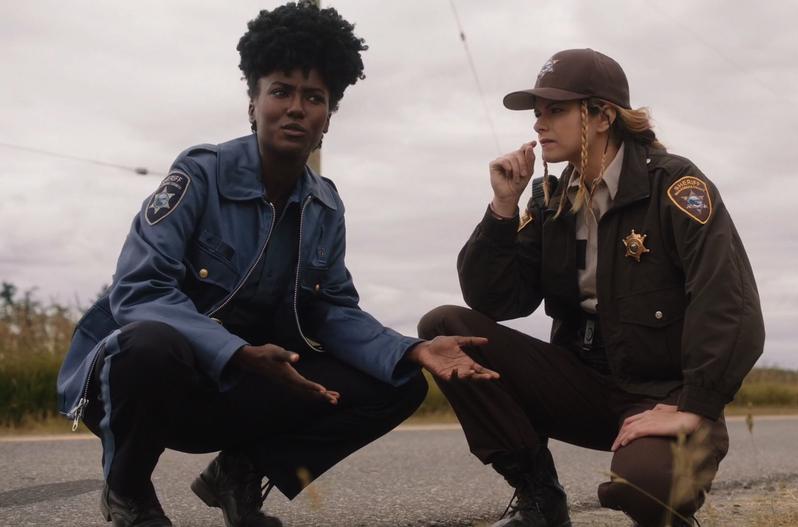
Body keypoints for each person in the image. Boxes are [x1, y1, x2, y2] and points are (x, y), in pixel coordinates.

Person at [56, 4, 497, 526]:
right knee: (151, 343)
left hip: (246, 385)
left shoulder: (325, 206)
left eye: (314, 98)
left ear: (328, 117)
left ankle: (240, 474)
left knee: (398, 382)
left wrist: (415, 349)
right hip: (157, 384)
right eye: (281, 91)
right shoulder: (199, 175)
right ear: (253, 104)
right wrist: (237, 352)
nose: (295, 108)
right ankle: (128, 491)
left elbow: (332, 311)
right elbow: (138, 291)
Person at [418, 48, 764, 527]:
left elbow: (729, 301)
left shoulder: (673, 185)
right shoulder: (551, 199)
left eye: (555, 110)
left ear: (602, 115)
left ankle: (662, 494)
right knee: (446, 329)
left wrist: (695, 406)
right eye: (537, 113)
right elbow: (497, 300)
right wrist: (502, 208)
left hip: (660, 394)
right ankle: (540, 499)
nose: (540, 124)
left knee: (649, 490)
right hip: (581, 381)